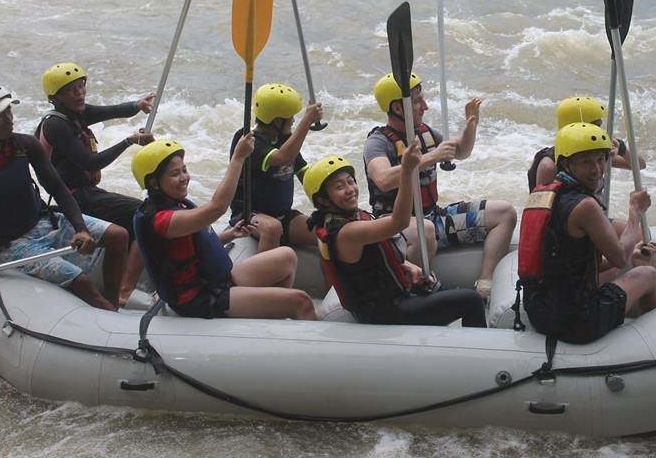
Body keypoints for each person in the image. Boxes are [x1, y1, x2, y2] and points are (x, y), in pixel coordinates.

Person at [0, 83, 128, 311]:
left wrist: (80, 228)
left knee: (119, 235)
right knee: (81, 280)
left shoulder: (25, 145)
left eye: (9, 111)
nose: (9, 119)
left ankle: (112, 304)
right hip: (12, 244)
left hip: (44, 222)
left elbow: (57, 187)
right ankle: (111, 317)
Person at [364, 73, 516, 301]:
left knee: (505, 212)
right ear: (397, 107)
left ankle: (485, 287)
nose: (425, 106)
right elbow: (383, 179)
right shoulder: (378, 142)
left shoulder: (425, 134)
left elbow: (461, 151)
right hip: (394, 225)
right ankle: (410, 292)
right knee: (423, 229)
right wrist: (430, 158)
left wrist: (470, 126)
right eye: (417, 101)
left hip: (432, 217)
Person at [131, 136, 317, 320]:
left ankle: (269, 320)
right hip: (201, 298)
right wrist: (238, 158)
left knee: (287, 256)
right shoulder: (160, 220)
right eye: (175, 174)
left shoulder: (176, 204)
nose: (184, 177)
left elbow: (193, 245)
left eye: (184, 170)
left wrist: (229, 235)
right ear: (154, 183)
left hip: (216, 280)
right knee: (302, 301)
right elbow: (217, 207)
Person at [518, 122, 656, 344]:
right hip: (577, 321)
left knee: (612, 270)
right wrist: (635, 212)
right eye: (586, 162)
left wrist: (624, 255)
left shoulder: (542, 195)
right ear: (567, 164)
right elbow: (620, 257)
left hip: (541, 312)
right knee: (648, 275)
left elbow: (567, 264)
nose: (596, 170)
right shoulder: (585, 206)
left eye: (600, 160)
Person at [306, 149, 485, 327]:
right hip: (387, 312)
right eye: (339, 187)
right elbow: (399, 222)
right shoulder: (347, 233)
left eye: (351, 181)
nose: (350, 189)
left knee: (441, 291)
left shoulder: (351, 217)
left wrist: (406, 265)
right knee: (472, 300)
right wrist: (407, 172)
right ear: (323, 200)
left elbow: (369, 260)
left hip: (393, 298)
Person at [35, 62, 155, 306]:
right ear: (56, 98)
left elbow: (108, 111)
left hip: (88, 192)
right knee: (144, 212)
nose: (80, 93)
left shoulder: (76, 113)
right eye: (71, 90)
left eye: (81, 87)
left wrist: (137, 106)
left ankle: (134, 278)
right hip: (74, 198)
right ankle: (125, 288)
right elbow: (89, 163)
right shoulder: (55, 125)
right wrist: (129, 141)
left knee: (134, 217)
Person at [226, 83, 322, 251]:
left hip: (284, 214)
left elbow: (303, 173)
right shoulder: (249, 140)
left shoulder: (285, 139)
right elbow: (282, 157)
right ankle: (264, 275)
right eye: (290, 117)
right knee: (272, 228)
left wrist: (328, 198)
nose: (293, 120)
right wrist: (306, 122)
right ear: (277, 120)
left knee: (321, 231)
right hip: (250, 214)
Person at [527, 95, 646, 192]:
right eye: (596, 126)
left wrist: (622, 149)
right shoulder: (549, 166)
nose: (600, 131)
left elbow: (639, 165)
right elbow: (542, 212)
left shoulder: (595, 156)